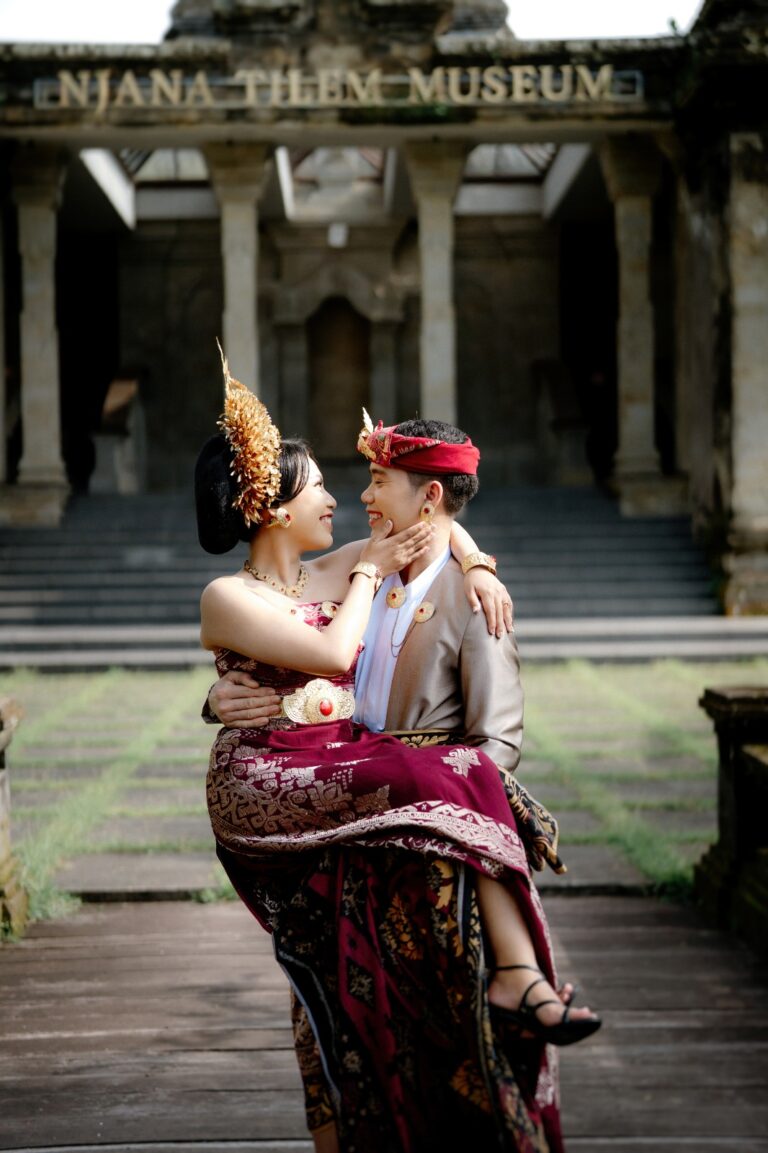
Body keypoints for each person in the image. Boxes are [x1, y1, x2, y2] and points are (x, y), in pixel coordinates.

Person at [198, 356, 600, 1153]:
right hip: (269, 781)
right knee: (442, 773)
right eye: (320, 485)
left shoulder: (337, 567)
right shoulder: (234, 594)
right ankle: (515, 976)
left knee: (340, 984)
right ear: (272, 508)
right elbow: (333, 649)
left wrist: (476, 562)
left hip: (342, 777)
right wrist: (220, 697)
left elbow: (436, 521)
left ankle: (514, 981)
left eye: (363, 481)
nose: (341, 497)